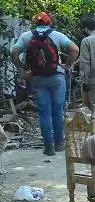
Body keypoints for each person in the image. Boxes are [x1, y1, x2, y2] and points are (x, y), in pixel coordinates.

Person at [11, 12, 79, 156]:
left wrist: (22, 71)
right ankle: (59, 143)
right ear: (50, 23)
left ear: (35, 23)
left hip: (38, 78)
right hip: (57, 78)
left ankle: (48, 147)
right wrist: (68, 65)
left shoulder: (26, 36)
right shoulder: (57, 35)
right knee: (58, 111)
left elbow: (14, 52)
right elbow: (75, 50)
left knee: (44, 113)